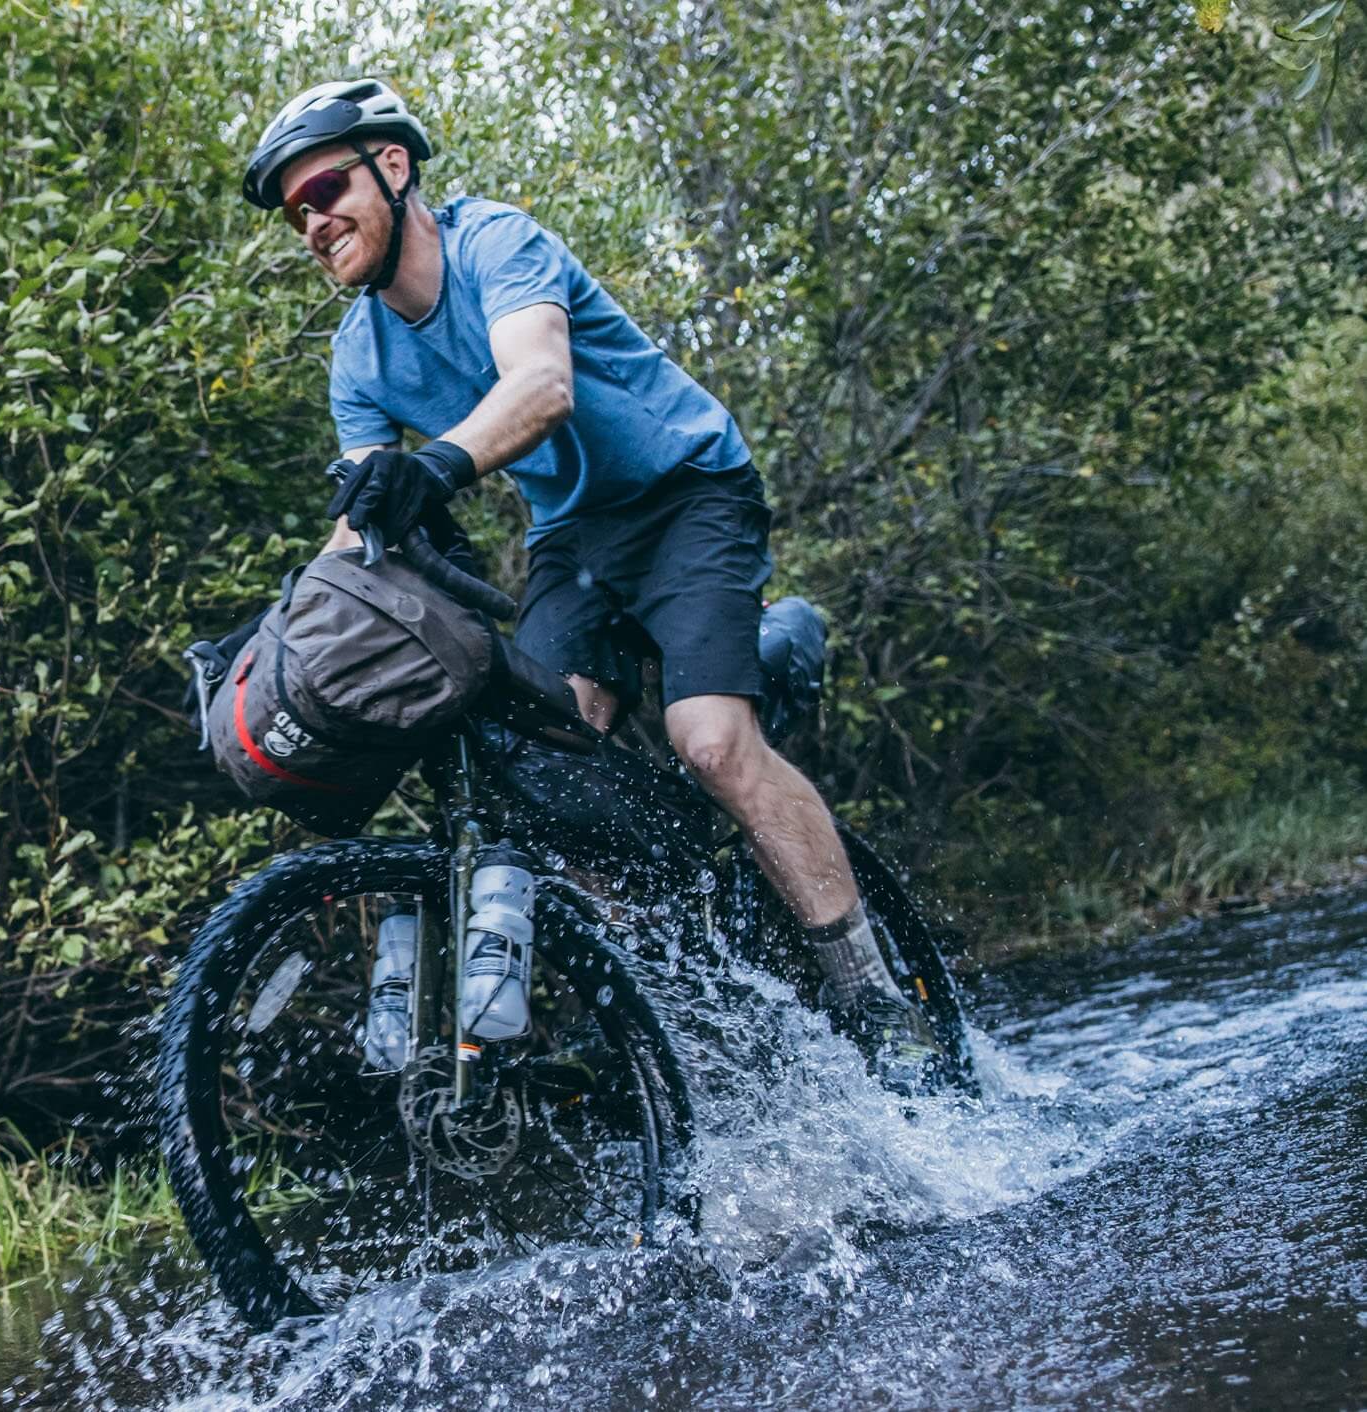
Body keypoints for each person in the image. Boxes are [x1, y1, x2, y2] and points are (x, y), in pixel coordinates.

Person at [240, 77, 942, 1080]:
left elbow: (540, 384)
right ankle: (682, 1008)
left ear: (390, 168)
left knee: (708, 741)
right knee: (547, 768)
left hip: (685, 489)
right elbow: (359, 534)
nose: (311, 221)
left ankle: (873, 994)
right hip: (570, 532)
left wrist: (434, 464)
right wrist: (270, 643)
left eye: (323, 190)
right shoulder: (357, 354)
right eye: (294, 210)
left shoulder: (494, 244)